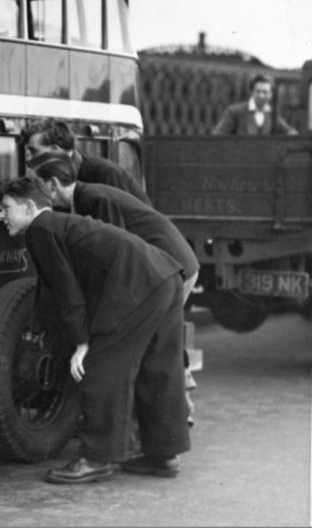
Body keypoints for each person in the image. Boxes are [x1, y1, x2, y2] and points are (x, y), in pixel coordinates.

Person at [0, 177, 190, 484]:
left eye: (6, 207)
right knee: (159, 367)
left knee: (101, 365)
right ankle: (163, 455)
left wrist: (82, 343)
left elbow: (65, 290)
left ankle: (96, 458)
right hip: (165, 275)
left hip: (139, 282)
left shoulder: (41, 229)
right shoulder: (61, 224)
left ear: (30, 207)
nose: (1, 216)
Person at [32, 156, 201, 424]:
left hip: (172, 266)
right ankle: (172, 417)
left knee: (147, 344)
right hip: (165, 267)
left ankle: (176, 414)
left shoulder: (96, 200)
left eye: (38, 189)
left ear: (53, 186)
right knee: (152, 343)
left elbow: (117, 256)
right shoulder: (85, 198)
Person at [20, 118, 152, 205]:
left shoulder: (105, 173)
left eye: (34, 151)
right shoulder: (64, 179)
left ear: (55, 149)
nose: (29, 159)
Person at [212, 73, 298, 136]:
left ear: (271, 94)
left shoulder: (272, 114)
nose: (261, 95)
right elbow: (218, 136)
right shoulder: (234, 112)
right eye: (258, 91)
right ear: (252, 92)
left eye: (265, 92)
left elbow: (289, 131)